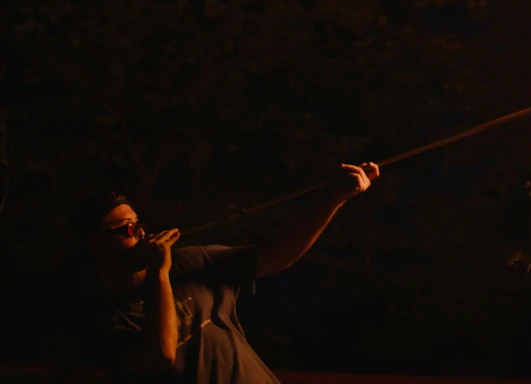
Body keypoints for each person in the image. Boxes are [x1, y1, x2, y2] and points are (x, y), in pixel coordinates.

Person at [75, 162, 380, 383]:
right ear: (96, 246)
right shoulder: (105, 322)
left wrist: (334, 199)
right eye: (128, 229)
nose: (141, 232)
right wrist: (159, 273)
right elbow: (160, 357)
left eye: (139, 222)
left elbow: (277, 257)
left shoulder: (190, 263)